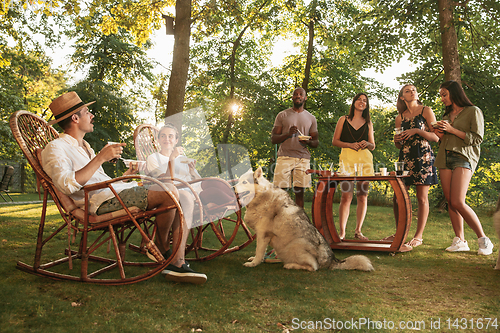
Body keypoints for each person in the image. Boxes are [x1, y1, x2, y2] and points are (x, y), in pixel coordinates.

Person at [41, 91, 207, 284]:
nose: (92, 115)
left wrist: (122, 178)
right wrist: (100, 158)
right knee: (169, 189)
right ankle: (166, 252)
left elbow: (96, 179)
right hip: (99, 203)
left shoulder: (84, 146)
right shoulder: (55, 148)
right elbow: (66, 184)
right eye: (87, 112)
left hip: (113, 193)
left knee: (185, 197)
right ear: (75, 118)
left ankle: (177, 261)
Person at [434, 80, 494, 255]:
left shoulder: (473, 111)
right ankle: (460, 240)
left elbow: (477, 138)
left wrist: (451, 129)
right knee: (450, 201)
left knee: (458, 201)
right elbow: (440, 140)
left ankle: (484, 239)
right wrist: (437, 132)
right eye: (441, 96)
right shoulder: (446, 116)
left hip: (463, 157)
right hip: (444, 157)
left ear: (455, 93)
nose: (442, 98)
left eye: (444, 94)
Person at [390, 84, 439, 248]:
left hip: (422, 157)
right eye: (407, 91)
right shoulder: (400, 117)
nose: (412, 92)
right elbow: (399, 143)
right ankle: (399, 233)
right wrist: (397, 141)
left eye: (414, 90)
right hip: (404, 158)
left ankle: (418, 237)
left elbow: (436, 137)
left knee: (421, 197)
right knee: (398, 198)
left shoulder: (426, 110)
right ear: (402, 97)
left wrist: (416, 131)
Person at [332, 93, 375, 240]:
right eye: (359, 100)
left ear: (366, 105)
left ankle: (358, 231)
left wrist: (367, 144)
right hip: (347, 160)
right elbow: (335, 141)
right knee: (346, 196)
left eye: (365, 101)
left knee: (362, 196)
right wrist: (350, 145)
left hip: (365, 161)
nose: (362, 102)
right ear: (354, 102)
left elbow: (373, 145)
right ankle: (342, 233)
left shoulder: (368, 122)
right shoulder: (343, 119)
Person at [271, 87, 319, 208]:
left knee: (300, 193)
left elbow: (316, 142)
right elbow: (273, 139)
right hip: (284, 156)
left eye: (301, 94)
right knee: (281, 193)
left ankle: (299, 222)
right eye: (296, 94)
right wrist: (288, 134)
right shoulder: (282, 115)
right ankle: (280, 221)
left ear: (305, 98)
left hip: (302, 158)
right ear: (292, 97)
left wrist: (307, 142)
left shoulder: (311, 118)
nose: (298, 96)